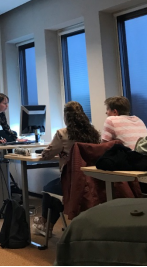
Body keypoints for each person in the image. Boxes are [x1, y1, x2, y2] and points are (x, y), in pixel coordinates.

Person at [34, 101, 101, 237]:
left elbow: (47, 154)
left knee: (48, 189)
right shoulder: (93, 133)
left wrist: (58, 153)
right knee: (56, 191)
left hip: (72, 181)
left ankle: (45, 224)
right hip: (93, 180)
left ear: (66, 117)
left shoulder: (63, 133)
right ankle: (46, 224)